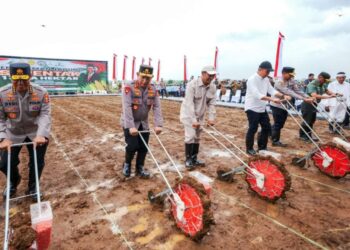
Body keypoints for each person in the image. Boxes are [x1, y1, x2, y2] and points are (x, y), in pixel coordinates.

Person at [0, 63, 51, 200]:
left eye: (24, 79)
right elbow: (0, 118)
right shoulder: (2, 94)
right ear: (11, 77)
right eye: (17, 79)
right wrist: (2, 137)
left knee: (37, 162)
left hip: (35, 133)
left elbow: (44, 115)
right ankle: (13, 181)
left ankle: (33, 186)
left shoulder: (41, 93)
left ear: (30, 76)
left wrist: (41, 135)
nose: (21, 83)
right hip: (13, 133)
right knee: (4, 164)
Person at [120, 65, 163, 178]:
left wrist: (158, 124)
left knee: (144, 147)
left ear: (151, 78)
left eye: (147, 78)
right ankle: (127, 164)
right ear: (138, 75)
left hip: (143, 123)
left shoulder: (153, 89)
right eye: (142, 77)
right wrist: (130, 126)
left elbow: (157, 107)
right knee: (132, 145)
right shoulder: (129, 87)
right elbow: (127, 107)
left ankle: (140, 167)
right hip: (130, 122)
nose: (144, 81)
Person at [244, 61, 290, 155]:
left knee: (266, 127)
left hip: (261, 107)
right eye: (267, 71)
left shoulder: (266, 80)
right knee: (253, 128)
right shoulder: (252, 79)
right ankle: (249, 148)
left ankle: (262, 147)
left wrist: (282, 96)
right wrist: (272, 99)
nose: (268, 73)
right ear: (260, 69)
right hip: (252, 107)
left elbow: (271, 90)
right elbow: (257, 94)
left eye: (269, 72)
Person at [180, 66, 216, 169]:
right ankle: (188, 159)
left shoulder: (212, 87)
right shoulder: (192, 85)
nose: (211, 77)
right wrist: (194, 120)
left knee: (197, 137)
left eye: (213, 75)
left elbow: (212, 103)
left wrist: (211, 117)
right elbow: (189, 103)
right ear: (203, 73)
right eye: (210, 75)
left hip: (200, 115)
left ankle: (194, 158)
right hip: (188, 114)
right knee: (190, 136)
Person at [270, 67, 314, 147]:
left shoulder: (291, 81)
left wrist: (307, 96)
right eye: (290, 75)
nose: (291, 76)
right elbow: (289, 92)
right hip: (277, 104)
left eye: (292, 75)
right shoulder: (279, 82)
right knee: (278, 123)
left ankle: (269, 131)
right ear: (283, 73)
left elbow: (297, 90)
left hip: (285, 105)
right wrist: (303, 99)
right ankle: (275, 141)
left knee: (281, 123)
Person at [299, 72, 336, 141]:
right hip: (308, 104)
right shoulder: (312, 84)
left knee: (312, 120)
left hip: (314, 104)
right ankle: (303, 135)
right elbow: (314, 95)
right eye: (325, 80)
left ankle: (309, 135)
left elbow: (327, 91)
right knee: (307, 120)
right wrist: (328, 97)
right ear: (320, 77)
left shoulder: (323, 84)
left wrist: (335, 94)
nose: (325, 82)